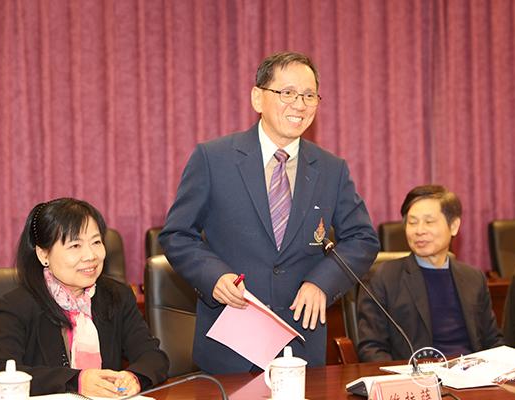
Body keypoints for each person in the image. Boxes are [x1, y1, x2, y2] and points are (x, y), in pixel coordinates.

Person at [159, 51, 380, 374]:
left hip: (300, 344)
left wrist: (322, 283)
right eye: (287, 93)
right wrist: (213, 276)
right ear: (257, 98)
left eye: (309, 95)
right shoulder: (213, 158)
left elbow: (362, 240)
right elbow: (177, 234)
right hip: (231, 343)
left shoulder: (331, 169)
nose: (300, 104)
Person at [0, 198, 169, 397]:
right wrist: (76, 381)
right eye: (75, 245)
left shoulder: (117, 296)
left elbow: (154, 357)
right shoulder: (17, 305)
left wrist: (134, 377)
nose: (91, 256)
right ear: (44, 255)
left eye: (96, 242)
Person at [357, 185, 504, 362]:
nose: (419, 231)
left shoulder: (474, 278)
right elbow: (371, 348)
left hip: (471, 373)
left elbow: (492, 341)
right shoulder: (384, 277)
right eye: (412, 222)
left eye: (429, 222)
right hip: (417, 375)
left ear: (454, 226)